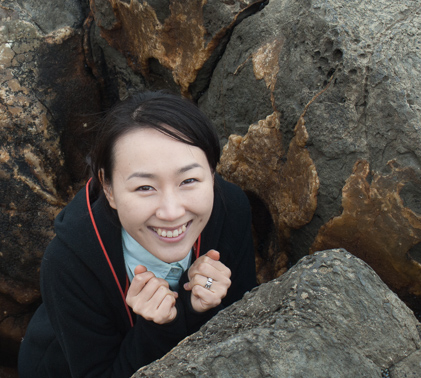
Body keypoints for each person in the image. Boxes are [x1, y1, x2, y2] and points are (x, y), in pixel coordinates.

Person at [18, 91, 257, 377]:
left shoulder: (232, 210)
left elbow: (247, 331)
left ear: (212, 174)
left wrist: (201, 309)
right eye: (145, 187)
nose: (171, 212)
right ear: (108, 188)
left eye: (189, 180)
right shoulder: (68, 263)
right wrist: (157, 327)